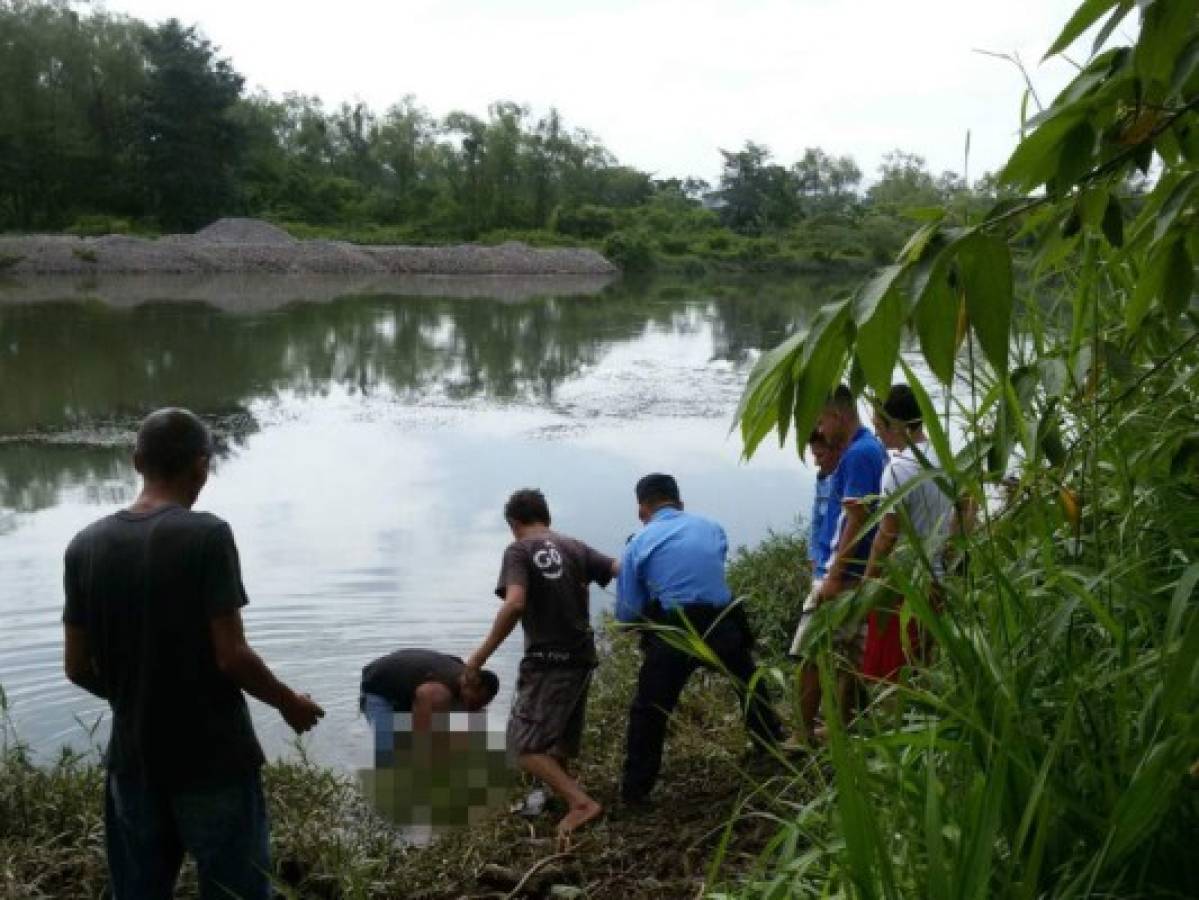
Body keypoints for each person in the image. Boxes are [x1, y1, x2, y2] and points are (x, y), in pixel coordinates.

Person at [62, 408, 324, 900]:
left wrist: (132, 693)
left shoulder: (84, 546)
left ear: (137, 459)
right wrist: (289, 702)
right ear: (202, 466)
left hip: (133, 763)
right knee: (237, 890)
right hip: (213, 760)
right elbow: (231, 656)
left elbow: (76, 667)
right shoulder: (206, 535)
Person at [461, 488, 617, 847]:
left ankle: (581, 803)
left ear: (514, 523)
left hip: (548, 661)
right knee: (558, 738)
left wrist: (478, 658)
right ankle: (562, 798)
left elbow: (515, 605)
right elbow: (618, 568)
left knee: (522, 745)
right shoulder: (575, 546)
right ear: (546, 517)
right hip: (581, 657)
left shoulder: (518, 550)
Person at [617, 473, 783, 805]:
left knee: (649, 709)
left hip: (676, 629)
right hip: (722, 620)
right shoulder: (712, 527)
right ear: (680, 503)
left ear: (641, 510)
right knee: (748, 681)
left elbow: (627, 613)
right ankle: (769, 746)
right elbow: (710, 568)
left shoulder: (638, 542)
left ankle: (636, 792)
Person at [797, 385, 888, 740]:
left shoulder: (859, 454)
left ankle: (802, 734)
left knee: (809, 652)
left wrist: (834, 575)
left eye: (821, 420)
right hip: (847, 570)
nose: (820, 430)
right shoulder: (865, 449)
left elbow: (857, 518)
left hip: (840, 571)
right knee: (847, 655)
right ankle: (842, 726)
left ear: (838, 416)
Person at [861, 384, 955, 681]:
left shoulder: (898, 469)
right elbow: (968, 508)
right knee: (921, 665)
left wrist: (867, 581)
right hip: (937, 579)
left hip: (902, 587)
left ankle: (890, 725)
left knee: (893, 672)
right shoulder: (943, 457)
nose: (877, 434)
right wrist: (950, 554)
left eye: (879, 426)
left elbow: (887, 536)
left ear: (898, 425)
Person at [789, 427, 845, 657]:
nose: (816, 462)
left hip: (836, 573)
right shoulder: (822, 479)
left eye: (820, 455)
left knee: (807, 649)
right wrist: (814, 561)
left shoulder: (850, 478)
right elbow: (817, 521)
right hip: (822, 571)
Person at [359, 648, 499, 733]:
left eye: (483, 703)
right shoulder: (436, 691)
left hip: (407, 687)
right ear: (470, 684)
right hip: (378, 689)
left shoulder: (464, 675)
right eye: (475, 702)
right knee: (391, 750)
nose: (477, 707)